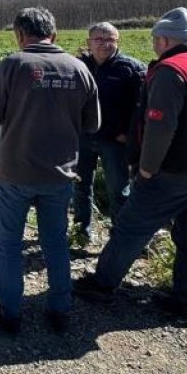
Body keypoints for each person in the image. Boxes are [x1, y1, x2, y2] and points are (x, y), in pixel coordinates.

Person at [74, 7, 187, 329]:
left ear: (165, 40)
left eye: (155, 40)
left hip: (173, 170)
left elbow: (160, 125)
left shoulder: (171, 70)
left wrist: (147, 169)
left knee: (131, 226)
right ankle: (186, 303)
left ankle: (102, 285)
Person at [0, 7, 99, 334]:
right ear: (54, 34)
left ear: (19, 35)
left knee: (9, 243)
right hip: (60, 175)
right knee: (55, 243)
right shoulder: (79, 68)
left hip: (16, 171)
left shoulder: (13, 65)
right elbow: (93, 124)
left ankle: (10, 315)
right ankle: (60, 311)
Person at [72, 22, 146, 247]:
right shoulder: (79, 66)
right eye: (99, 39)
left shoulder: (132, 69)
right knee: (80, 185)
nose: (105, 44)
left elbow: (142, 107)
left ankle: (120, 237)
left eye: (110, 39)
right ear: (89, 43)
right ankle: (81, 231)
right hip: (83, 137)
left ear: (118, 41)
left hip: (114, 141)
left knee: (119, 190)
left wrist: (128, 134)